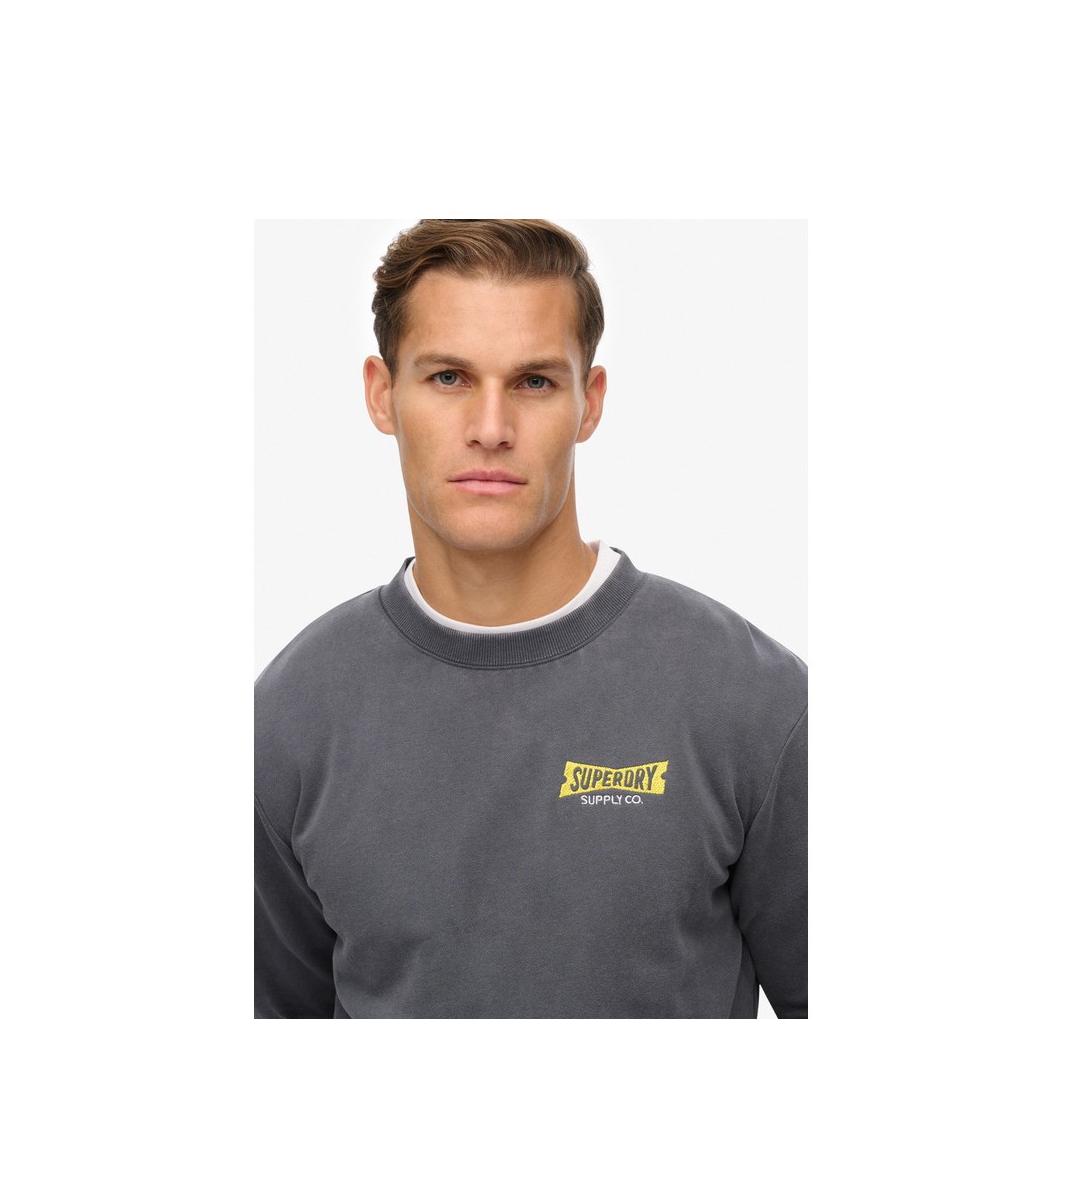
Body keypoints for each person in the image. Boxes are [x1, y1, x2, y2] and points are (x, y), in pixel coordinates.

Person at [255, 218, 807, 1018]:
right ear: (382, 394)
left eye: (535, 382)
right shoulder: (290, 719)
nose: (490, 428)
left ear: (590, 402)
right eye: (449, 377)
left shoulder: (753, 703)